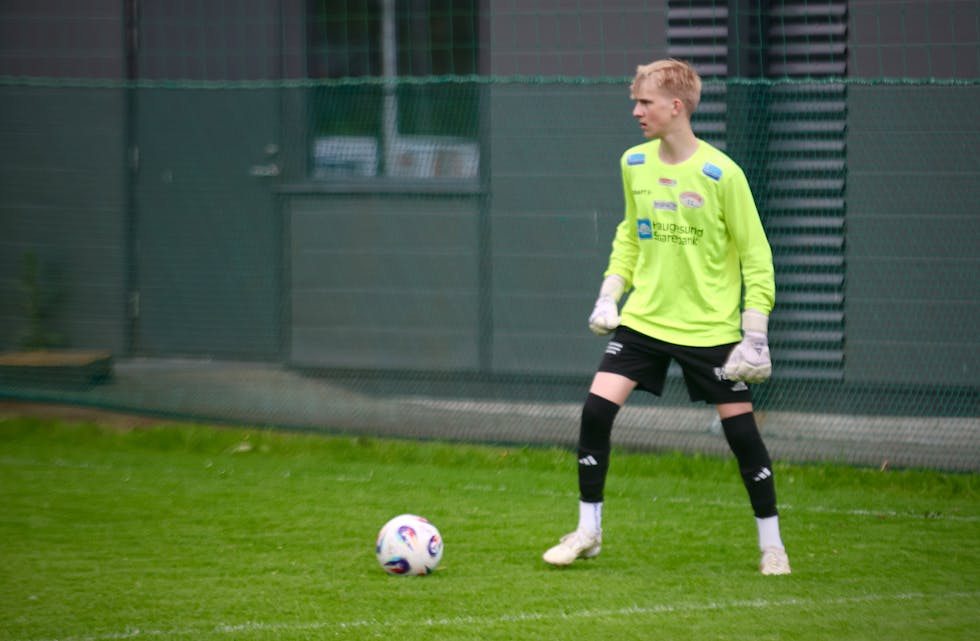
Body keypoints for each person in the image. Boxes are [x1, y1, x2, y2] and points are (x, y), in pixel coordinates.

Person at [542, 58, 791, 575]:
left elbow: (756, 257)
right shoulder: (633, 163)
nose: (636, 112)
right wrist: (610, 293)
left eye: (645, 102)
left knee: (742, 435)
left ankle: (772, 545)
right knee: (595, 412)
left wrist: (755, 334)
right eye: (635, 102)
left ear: (676, 106)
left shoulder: (724, 175)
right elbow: (630, 235)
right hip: (645, 321)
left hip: (709, 329)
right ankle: (588, 531)